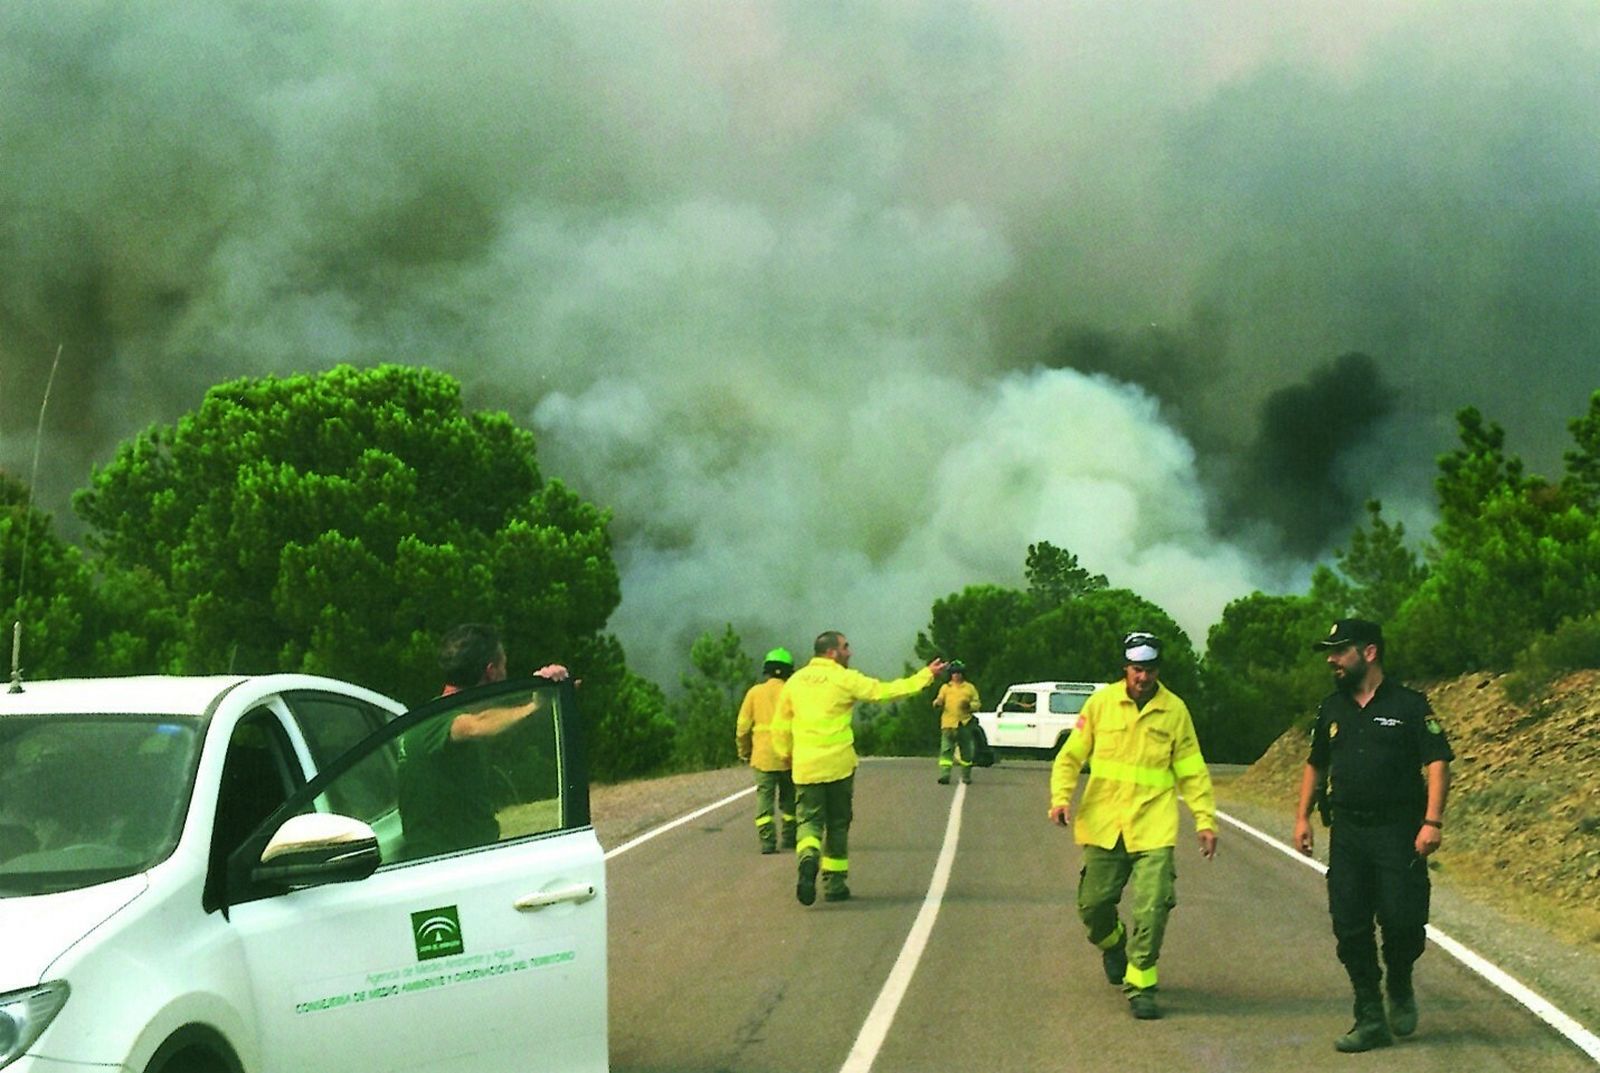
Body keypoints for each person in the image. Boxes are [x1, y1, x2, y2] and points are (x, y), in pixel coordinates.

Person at [1294, 618, 1453, 1053]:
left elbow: (1437, 762)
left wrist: (1432, 821)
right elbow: (1316, 764)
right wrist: (1302, 817)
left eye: (1340, 650)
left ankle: (1399, 980)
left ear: (1369, 652)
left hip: (1399, 832)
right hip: (1347, 831)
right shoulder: (1331, 708)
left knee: (1403, 921)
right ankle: (1369, 1015)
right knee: (1349, 925)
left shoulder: (1410, 705)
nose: (1331, 659)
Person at [1048, 631, 1217, 1021]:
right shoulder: (1101, 704)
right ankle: (1115, 945)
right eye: (1138, 669)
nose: (1144, 677)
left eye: (1151, 670)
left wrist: (1205, 820)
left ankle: (1141, 984)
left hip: (1153, 826)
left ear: (1159, 670)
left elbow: (1192, 770)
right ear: (1126, 667)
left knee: (1153, 905)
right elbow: (1070, 757)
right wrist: (1060, 798)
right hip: (1104, 823)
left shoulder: (1175, 711)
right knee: (1093, 907)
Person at [771, 631, 947, 905]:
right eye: (845, 647)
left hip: (805, 767)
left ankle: (807, 860)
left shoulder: (794, 682)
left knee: (809, 822)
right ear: (831, 652)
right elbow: (886, 691)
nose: (849, 652)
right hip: (839, 766)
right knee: (838, 825)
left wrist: (785, 756)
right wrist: (926, 675)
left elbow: (780, 726)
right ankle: (834, 885)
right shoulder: (845, 679)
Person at [397, 623, 568, 859]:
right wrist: (535, 704)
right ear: (491, 671)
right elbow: (477, 725)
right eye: (504, 666)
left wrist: (560, 697)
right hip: (449, 868)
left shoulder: (433, 719)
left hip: (464, 861)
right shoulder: (437, 720)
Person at [736, 647, 798, 854]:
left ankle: (768, 842)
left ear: (767, 669)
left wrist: (744, 751)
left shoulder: (754, 693)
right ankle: (790, 837)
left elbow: (743, 728)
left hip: (762, 757)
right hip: (790, 756)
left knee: (765, 799)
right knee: (790, 799)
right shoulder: (793, 692)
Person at [932, 660, 981, 785]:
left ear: (963, 673)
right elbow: (939, 699)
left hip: (964, 724)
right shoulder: (945, 688)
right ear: (950, 674)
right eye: (954, 672)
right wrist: (937, 703)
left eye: (959, 672)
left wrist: (969, 706)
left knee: (966, 752)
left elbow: (978, 703)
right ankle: (945, 775)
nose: (956, 675)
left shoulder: (970, 688)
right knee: (946, 751)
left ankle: (966, 776)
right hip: (948, 724)